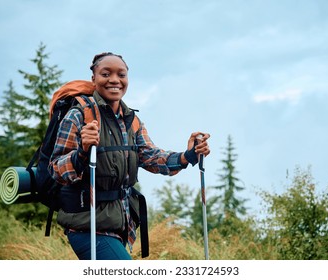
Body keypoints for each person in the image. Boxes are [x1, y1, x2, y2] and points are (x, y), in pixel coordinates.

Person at [48, 52, 210, 260]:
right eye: (106, 74)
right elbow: (55, 169)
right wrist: (82, 153)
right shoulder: (79, 116)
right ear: (94, 79)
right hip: (87, 226)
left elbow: (151, 157)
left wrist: (188, 155)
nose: (115, 80)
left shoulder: (131, 121)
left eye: (121, 75)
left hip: (121, 224)